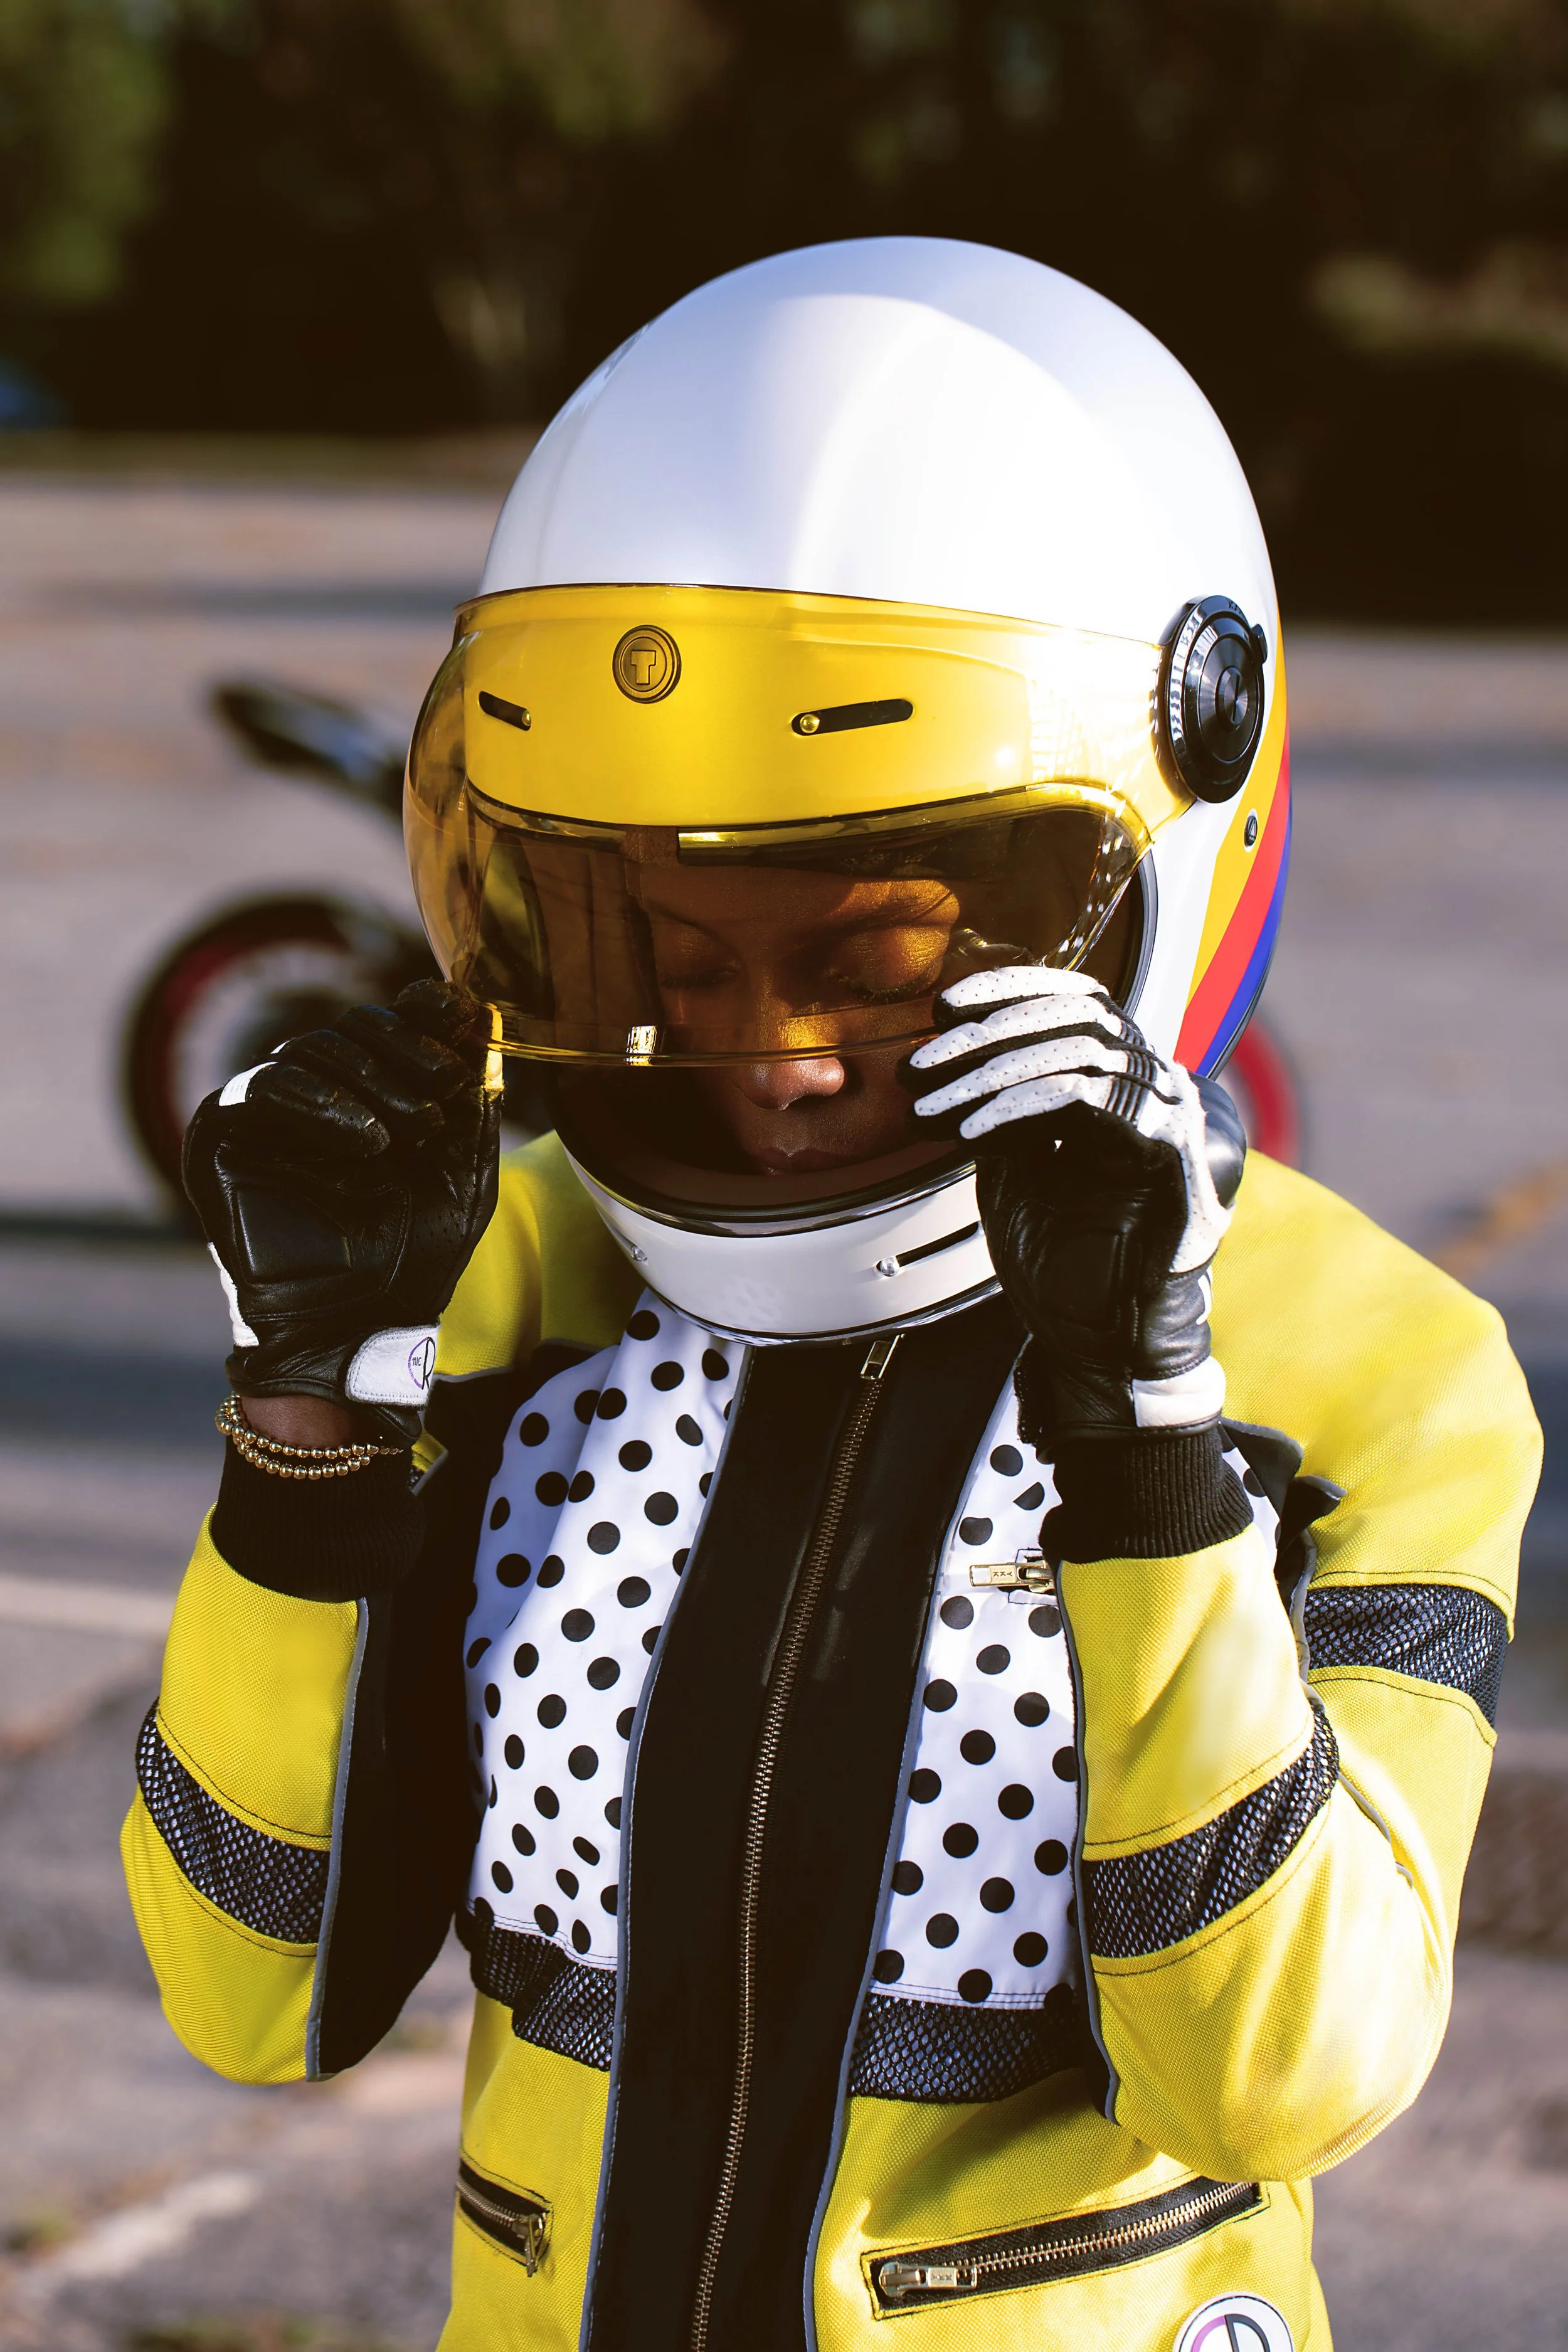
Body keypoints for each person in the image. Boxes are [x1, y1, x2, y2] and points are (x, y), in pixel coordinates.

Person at [124, 240, 1539, 2352]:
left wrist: (1145, 1444)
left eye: (870, 965)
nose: (770, 1057)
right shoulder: (517, 1277)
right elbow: (255, 1988)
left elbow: (1282, 2078)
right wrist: (309, 1430)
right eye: (675, 960)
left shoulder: (1373, 1376)